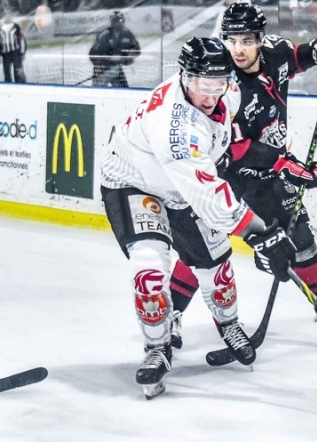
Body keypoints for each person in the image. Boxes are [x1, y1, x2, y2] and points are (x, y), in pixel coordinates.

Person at [101, 37, 296, 399]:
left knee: (216, 264)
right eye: (201, 87)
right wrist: (261, 232)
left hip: (181, 187)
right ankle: (157, 348)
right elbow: (208, 196)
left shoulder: (227, 91)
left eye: (217, 86)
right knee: (149, 270)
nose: (210, 95)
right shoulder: (175, 126)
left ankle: (228, 324)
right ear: (184, 77)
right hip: (132, 185)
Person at [169, 2, 317, 352]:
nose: (237, 49)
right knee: (202, 246)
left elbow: (296, 58)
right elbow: (233, 147)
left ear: (260, 38)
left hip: (268, 174)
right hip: (225, 174)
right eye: (231, 40)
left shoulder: (275, 52)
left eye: (246, 40)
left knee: (299, 233)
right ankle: (171, 315)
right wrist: (283, 163)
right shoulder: (220, 80)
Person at [88, 10, 140, 87]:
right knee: (97, 93)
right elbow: (92, 54)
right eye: (116, 21)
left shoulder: (127, 34)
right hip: (102, 70)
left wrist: (131, 54)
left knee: (124, 91)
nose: (119, 24)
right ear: (112, 22)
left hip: (117, 69)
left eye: (120, 21)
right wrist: (106, 60)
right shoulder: (104, 35)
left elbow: (137, 49)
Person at [0, 14, 26, 83]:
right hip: (7, 54)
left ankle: (20, 83)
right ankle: (9, 84)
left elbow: (21, 40)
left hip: (15, 52)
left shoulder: (16, 27)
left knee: (17, 70)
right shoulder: (0, 29)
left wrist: (22, 52)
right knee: (7, 72)